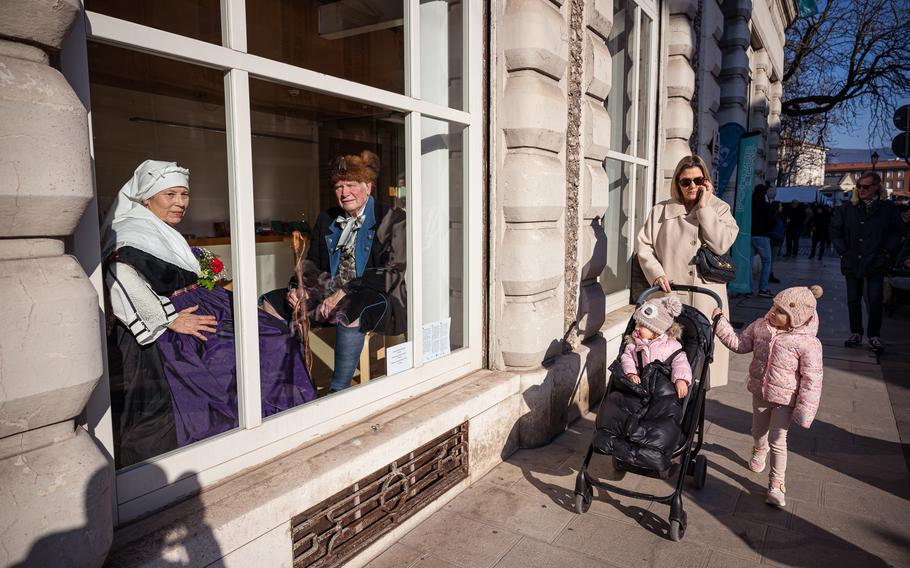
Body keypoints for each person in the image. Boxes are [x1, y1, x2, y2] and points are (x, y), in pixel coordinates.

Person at [103, 160, 316, 467]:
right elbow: (120, 276)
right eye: (171, 195)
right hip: (170, 330)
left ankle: (273, 422)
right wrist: (169, 319)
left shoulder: (158, 229)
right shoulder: (130, 231)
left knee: (274, 334)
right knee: (227, 363)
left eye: (184, 195)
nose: (180, 203)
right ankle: (236, 438)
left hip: (197, 308)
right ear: (146, 198)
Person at [273, 150, 407, 393]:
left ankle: (338, 390)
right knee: (272, 302)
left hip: (378, 296)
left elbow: (391, 273)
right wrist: (299, 288)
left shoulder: (392, 217)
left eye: (351, 185)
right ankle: (288, 385)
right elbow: (313, 264)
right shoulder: (327, 218)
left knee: (350, 309)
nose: (344, 193)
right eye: (338, 186)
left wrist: (344, 291)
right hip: (329, 292)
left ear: (368, 186)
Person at [712, 285, 825, 507]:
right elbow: (739, 343)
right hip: (761, 393)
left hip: (785, 400)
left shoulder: (808, 343)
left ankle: (776, 484)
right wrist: (720, 323)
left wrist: (805, 410)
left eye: (781, 311)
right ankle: (759, 448)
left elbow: (812, 379)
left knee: (778, 440)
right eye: (774, 306)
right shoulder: (760, 326)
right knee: (758, 430)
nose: (773, 312)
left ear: (797, 318)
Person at [637, 154, 739, 388]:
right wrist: (656, 273)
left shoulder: (720, 209)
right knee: (666, 363)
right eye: (686, 182)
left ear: (706, 182)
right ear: (677, 184)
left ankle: (693, 415)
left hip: (706, 296)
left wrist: (705, 208)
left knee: (700, 368)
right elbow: (643, 246)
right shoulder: (660, 211)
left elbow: (721, 244)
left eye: (698, 181)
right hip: (670, 296)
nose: (692, 186)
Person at [830, 172, 904, 351]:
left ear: (876, 187)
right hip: (852, 260)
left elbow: (898, 232)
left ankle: (874, 335)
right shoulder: (847, 208)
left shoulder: (887, 208)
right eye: (859, 186)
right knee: (853, 299)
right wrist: (843, 252)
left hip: (876, 260)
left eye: (866, 186)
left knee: (875, 299)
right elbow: (835, 230)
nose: (861, 190)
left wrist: (886, 252)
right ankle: (856, 332)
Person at [619, 296, 692, 399]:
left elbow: (681, 363)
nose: (636, 328)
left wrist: (681, 379)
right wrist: (631, 373)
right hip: (641, 388)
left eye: (641, 325)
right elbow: (627, 359)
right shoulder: (633, 344)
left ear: (655, 330)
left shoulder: (671, 346)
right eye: (636, 324)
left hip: (663, 390)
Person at [750, 184, 776, 297]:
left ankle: (748, 288)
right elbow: (771, 221)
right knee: (767, 262)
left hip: (750, 235)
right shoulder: (765, 205)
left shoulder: (750, 204)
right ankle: (763, 288)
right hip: (762, 236)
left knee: (749, 263)